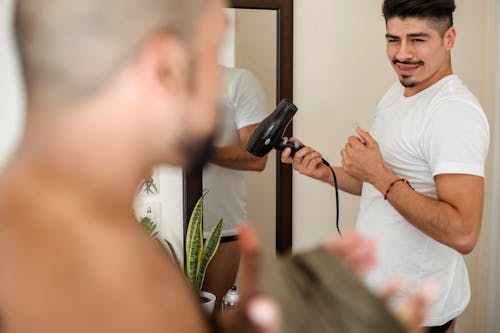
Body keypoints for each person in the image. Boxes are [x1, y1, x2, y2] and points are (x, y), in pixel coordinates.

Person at [0, 0, 431, 332]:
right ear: (164, 68)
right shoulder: (65, 272)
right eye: (210, 51)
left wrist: (241, 324)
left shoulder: (89, 229)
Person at [281, 1, 490, 332]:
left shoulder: (454, 113)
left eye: (418, 40)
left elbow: (463, 233)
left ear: (449, 38)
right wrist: (327, 172)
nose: (402, 54)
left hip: (417, 311)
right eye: (393, 40)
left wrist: (378, 173)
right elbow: (378, 185)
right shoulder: (398, 91)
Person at [203, 66, 268, 309]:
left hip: (221, 233)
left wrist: (198, 151)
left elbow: (257, 158)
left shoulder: (238, 82)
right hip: (168, 230)